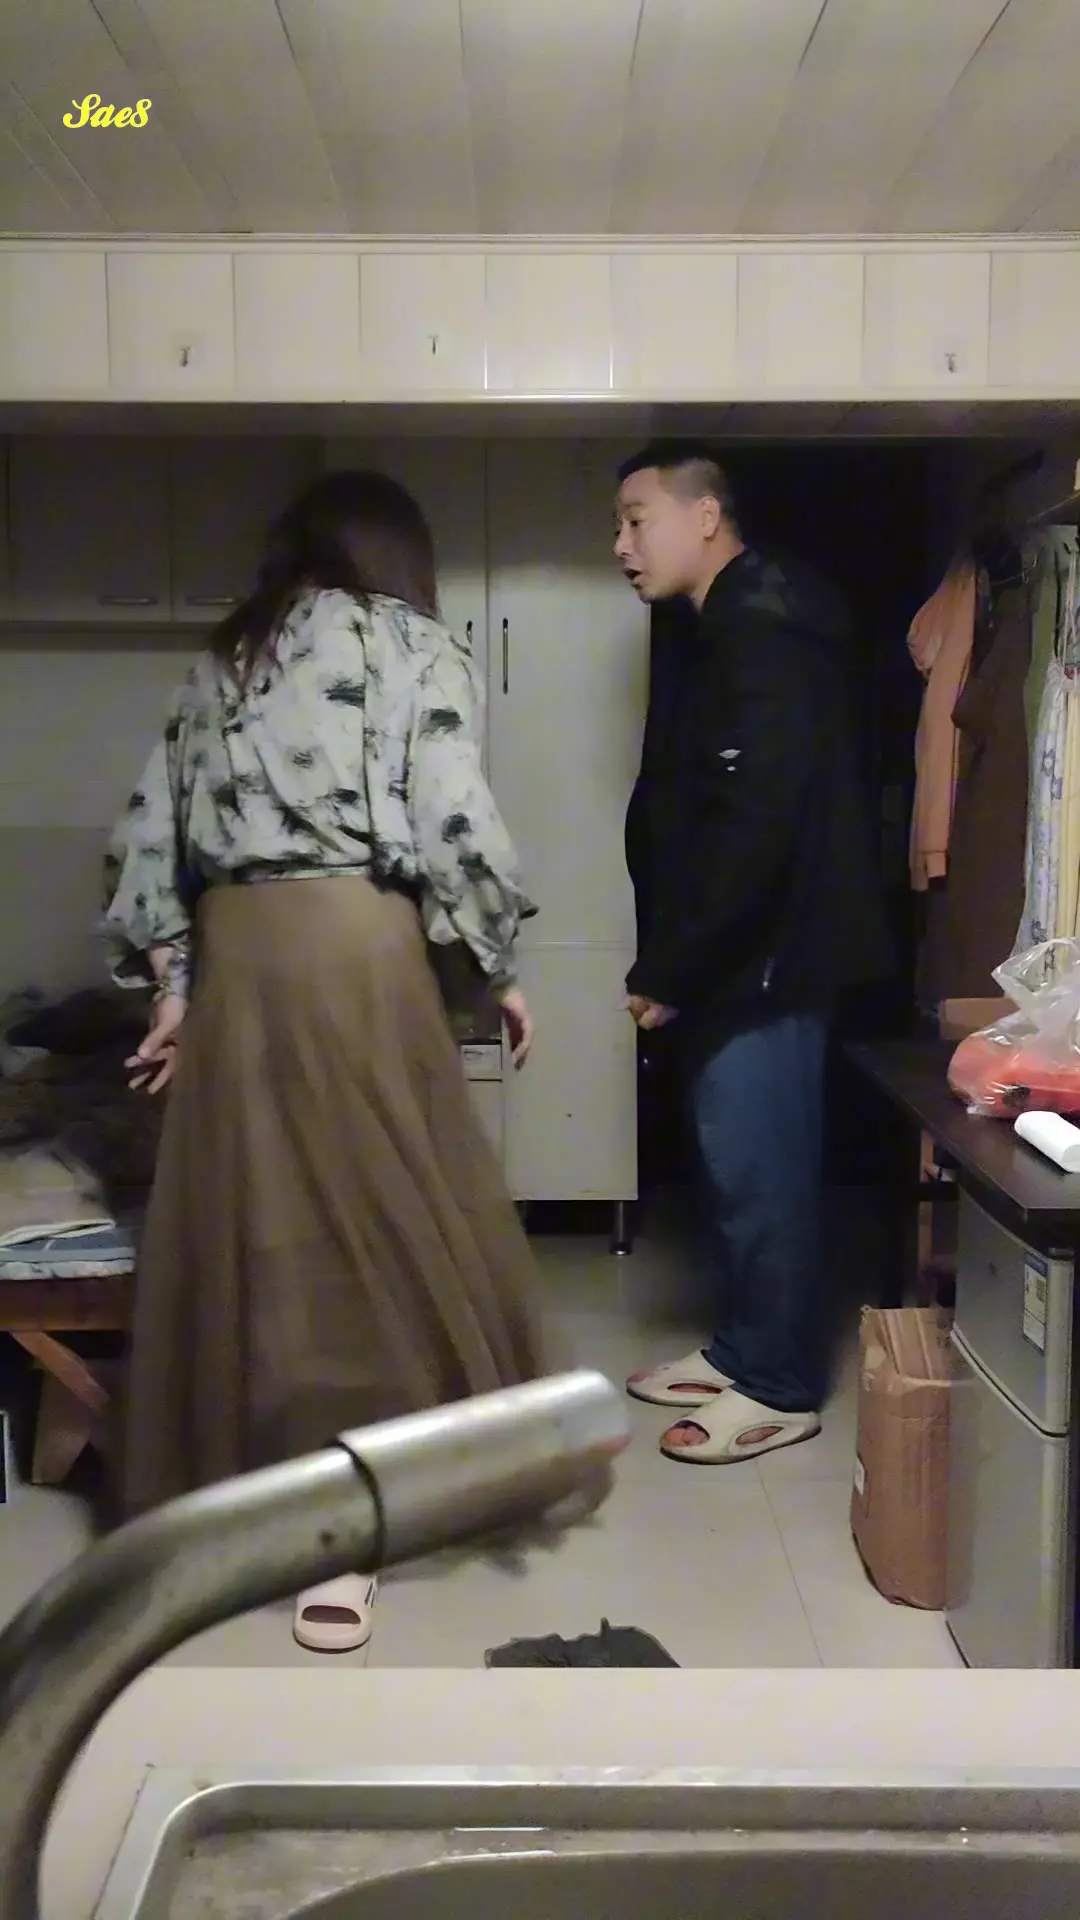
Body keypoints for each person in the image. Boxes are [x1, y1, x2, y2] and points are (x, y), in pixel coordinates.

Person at [104, 468, 545, 1650]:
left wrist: (174, 988)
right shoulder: (413, 643)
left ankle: (254, 1502)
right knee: (370, 1230)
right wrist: (497, 964)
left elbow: (149, 834)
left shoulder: (224, 656)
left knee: (265, 1231)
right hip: (356, 948)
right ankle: (343, 1540)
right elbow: (453, 814)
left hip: (240, 960)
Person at [613, 441, 891, 1466]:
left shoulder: (763, 625)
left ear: (705, 516)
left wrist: (671, 968)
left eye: (636, 520)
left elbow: (755, 825)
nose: (622, 545)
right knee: (736, 1170)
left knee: (762, 1172)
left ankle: (779, 1386)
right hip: (742, 955)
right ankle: (744, 1348)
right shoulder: (724, 622)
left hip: (765, 958)